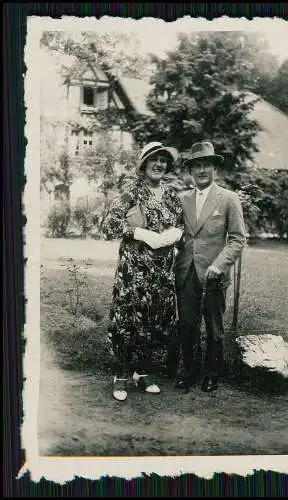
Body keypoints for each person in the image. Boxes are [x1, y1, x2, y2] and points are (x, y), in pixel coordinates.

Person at [102, 142, 184, 401]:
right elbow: (107, 226)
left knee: (155, 319)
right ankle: (120, 376)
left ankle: (142, 372)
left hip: (161, 271)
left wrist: (176, 233)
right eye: (154, 160)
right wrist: (138, 232)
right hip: (134, 271)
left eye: (163, 160)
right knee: (128, 320)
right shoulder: (131, 192)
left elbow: (180, 223)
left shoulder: (171, 194)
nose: (159, 164)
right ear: (144, 164)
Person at [174, 141, 246, 393]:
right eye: (197, 166)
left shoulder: (228, 198)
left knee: (214, 329)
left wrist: (220, 265)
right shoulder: (181, 199)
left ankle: (212, 374)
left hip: (214, 275)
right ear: (191, 171)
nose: (202, 170)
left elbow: (238, 239)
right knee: (186, 326)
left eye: (207, 165)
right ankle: (190, 372)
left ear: (215, 169)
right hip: (185, 273)